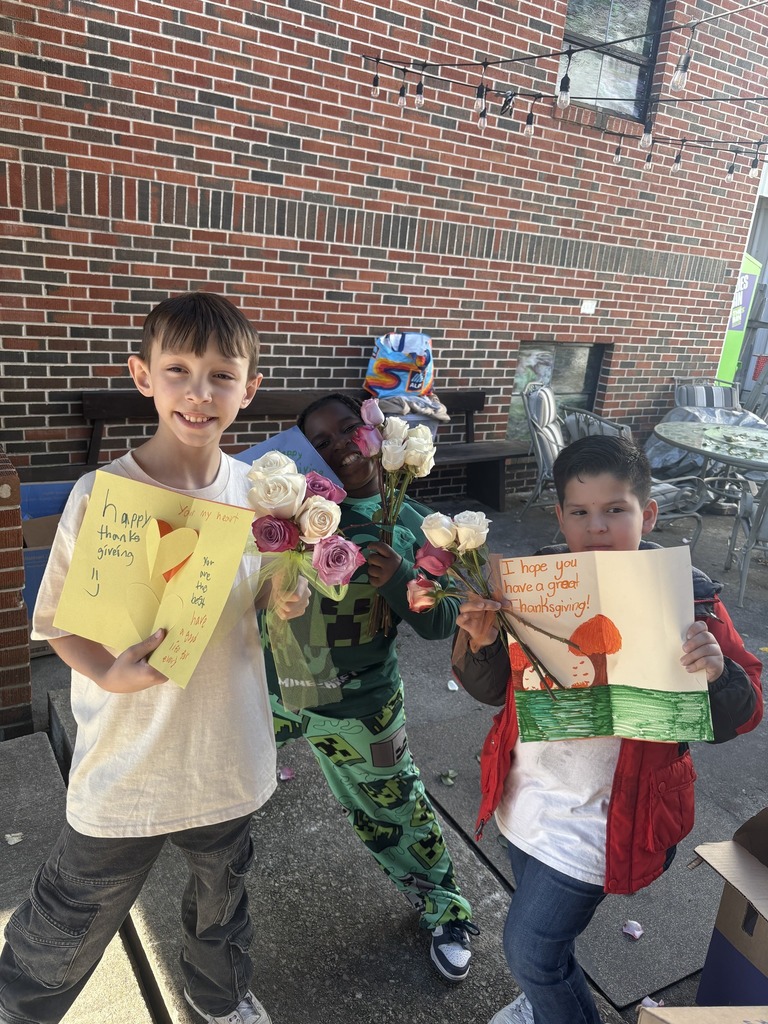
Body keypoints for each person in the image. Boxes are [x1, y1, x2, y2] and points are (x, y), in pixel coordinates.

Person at [0, 292, 308, 1024]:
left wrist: (281, 601)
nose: (199, 393)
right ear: (143, 376)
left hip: (224, 751)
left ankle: (218, 999)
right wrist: (106, 671)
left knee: (222, 898)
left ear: (249, 388)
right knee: (70, 912)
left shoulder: (261, 494)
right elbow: (58, 624)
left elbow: (248, 600)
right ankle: (20, 1007)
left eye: (221, 375)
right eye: (178, 369)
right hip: (129, 760)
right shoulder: (103, 494)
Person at [452, 435, 763, 1024]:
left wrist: (716, 673)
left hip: (606, 817)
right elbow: (493, 689)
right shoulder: (534, 584)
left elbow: (745, 713)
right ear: (560, 515)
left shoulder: (690, 597)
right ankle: (544, 999)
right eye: (580, 511)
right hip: (527, 798)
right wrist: (482, 640)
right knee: (541, 939)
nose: (597, 526)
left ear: (647, 514)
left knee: (529, 950)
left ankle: (547, 995)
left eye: (615, 510)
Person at [260, 393, 479, 982]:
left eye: (349, 432)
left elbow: (438, 622)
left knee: (397, 810)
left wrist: (400, 578)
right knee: (214, 788)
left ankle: (445, 909)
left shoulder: (414, 525)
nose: (339, 448)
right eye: (321, 443)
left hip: (361, 705)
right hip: (274, 691)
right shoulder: (286, 517)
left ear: (379, 436)